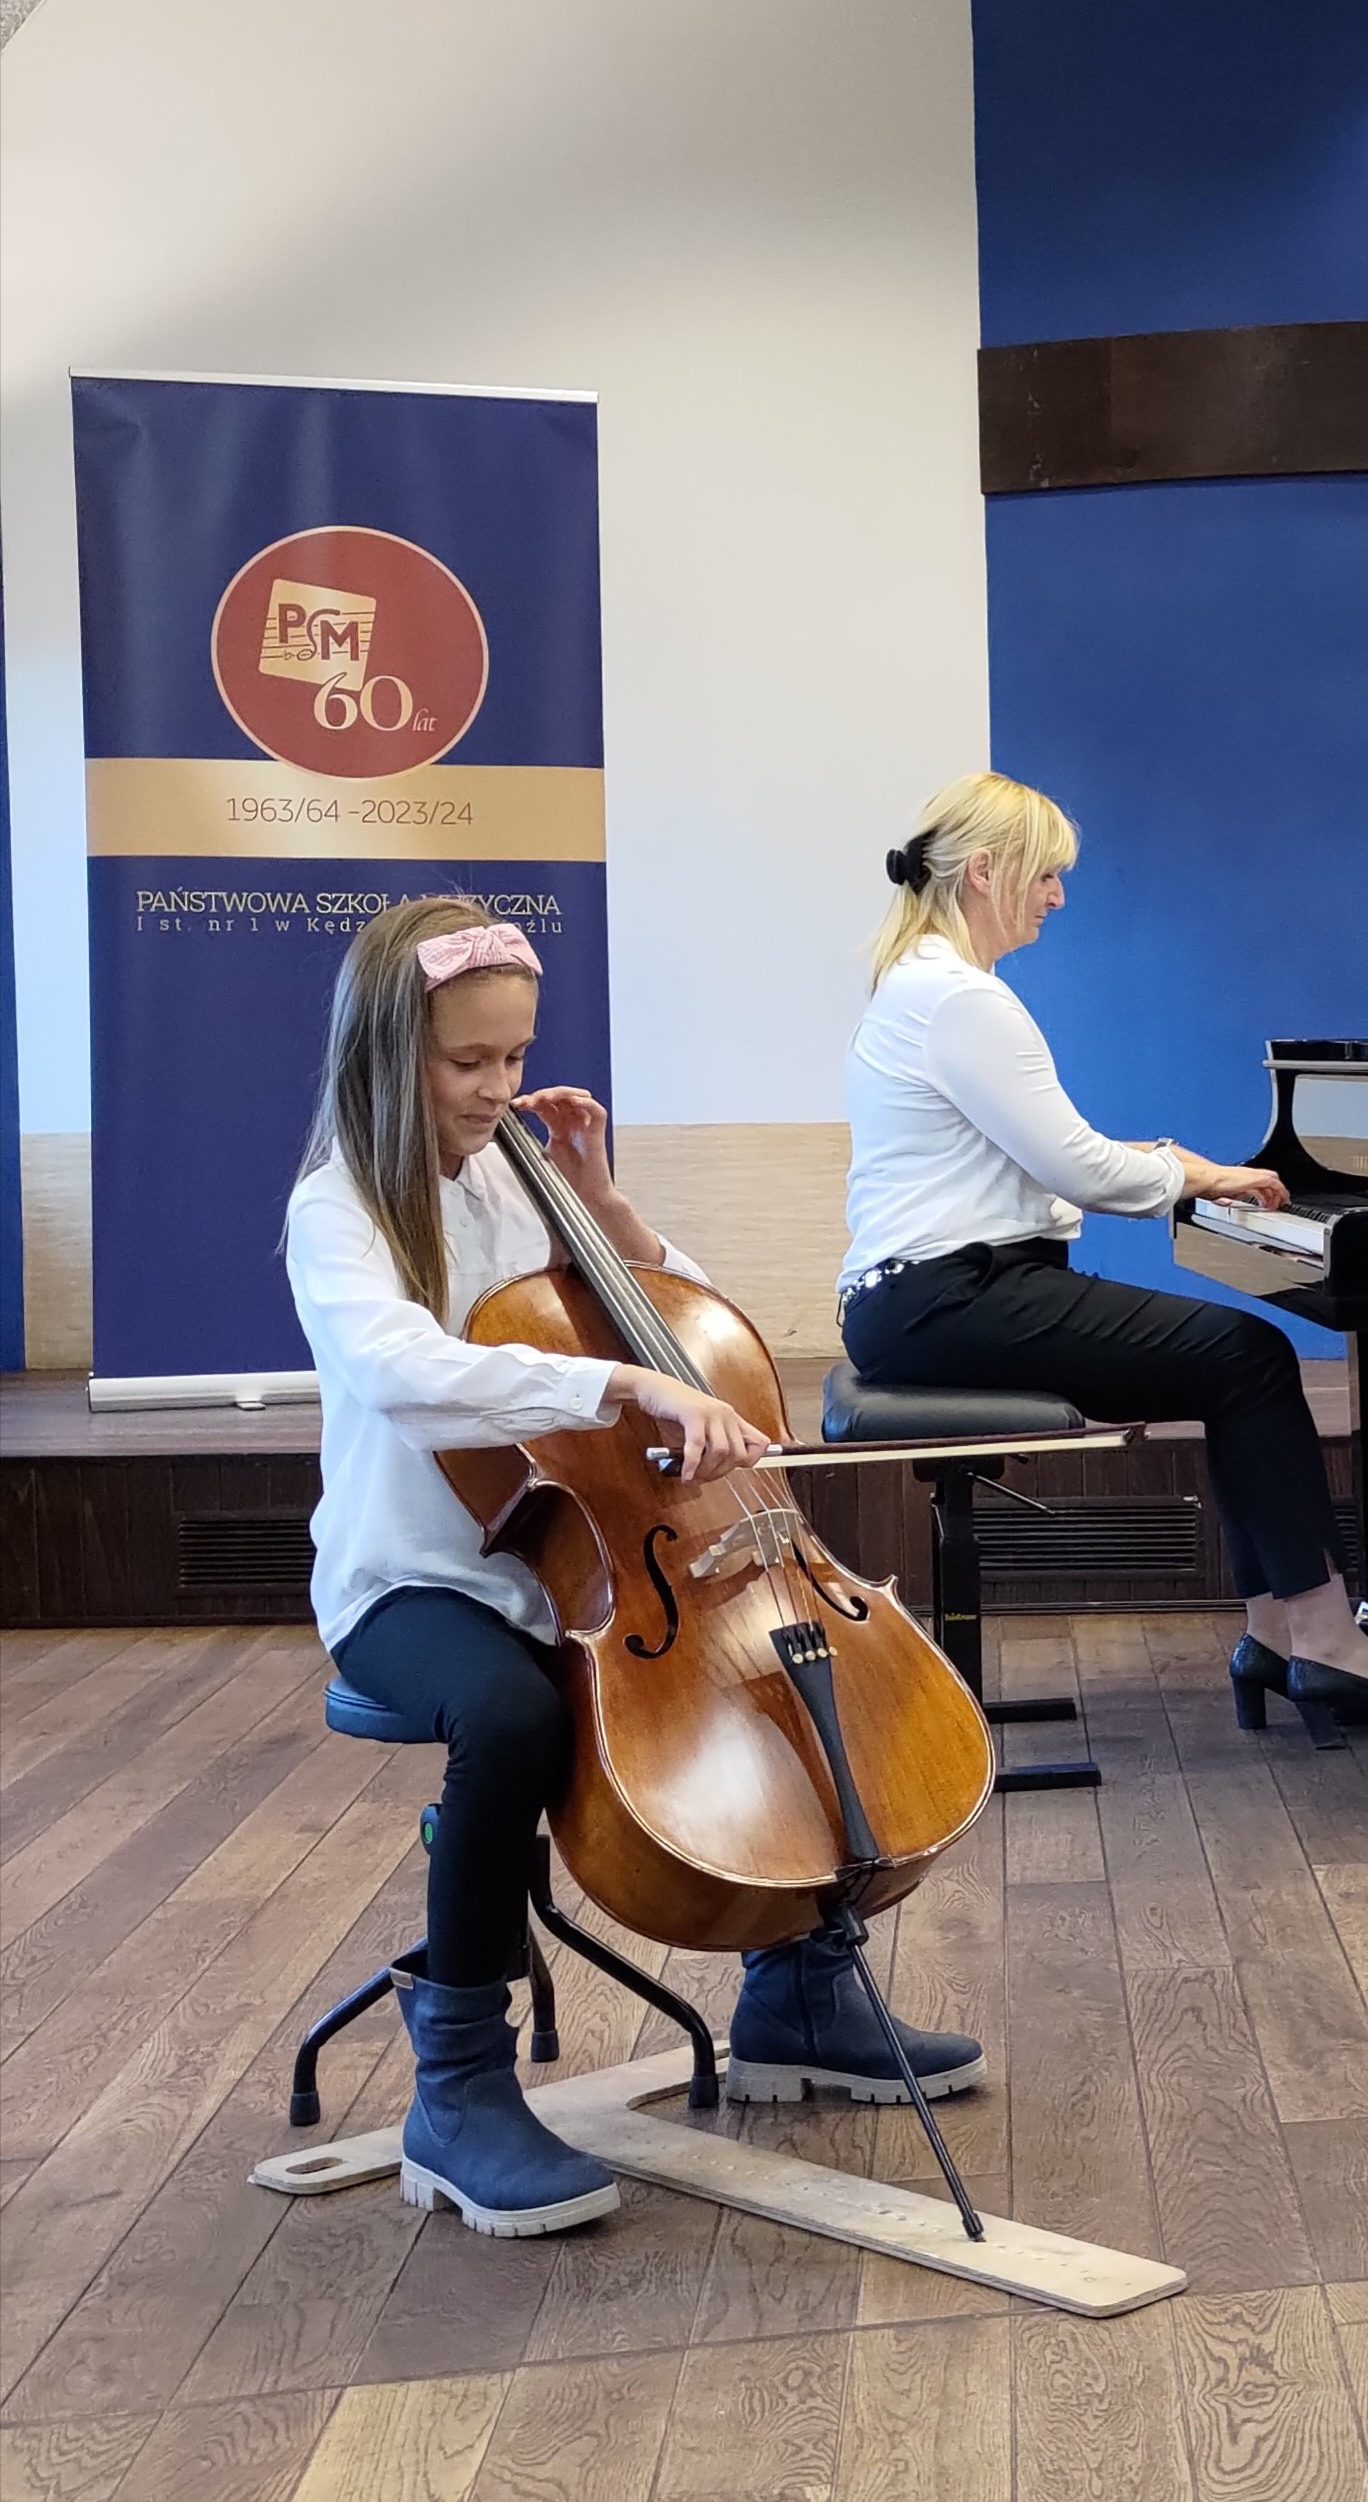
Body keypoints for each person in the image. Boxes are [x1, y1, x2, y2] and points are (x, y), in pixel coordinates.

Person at [287, 896, 982, 2242]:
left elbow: (690, 1324)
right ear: (385, 1054)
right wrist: (617, 1385)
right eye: (466, 1061)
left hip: (591, 1564)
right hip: (416, 1580)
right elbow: (405, 1369)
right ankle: (457, 2089)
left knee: (767, 1683)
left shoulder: (520, 1180)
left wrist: (607, 1211)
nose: (498, 1088)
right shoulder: (342, 1210)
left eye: (512, 1055)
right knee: (510, 1713)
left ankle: (797, 1994)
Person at [830, 773, 1368, 1737]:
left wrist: (1184, 1167)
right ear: (984, 872)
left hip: (921, 1297)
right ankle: (1319, 1637)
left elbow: (1044, 1155)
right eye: (1044, 875)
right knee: (1247, 1358)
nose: (1057, 896)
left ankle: (1278, 1634)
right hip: (947, 1298)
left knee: (1236, 1366)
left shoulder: (925, 986)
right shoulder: (961, 999)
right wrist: (1192, 1175)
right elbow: (1078, 1169)